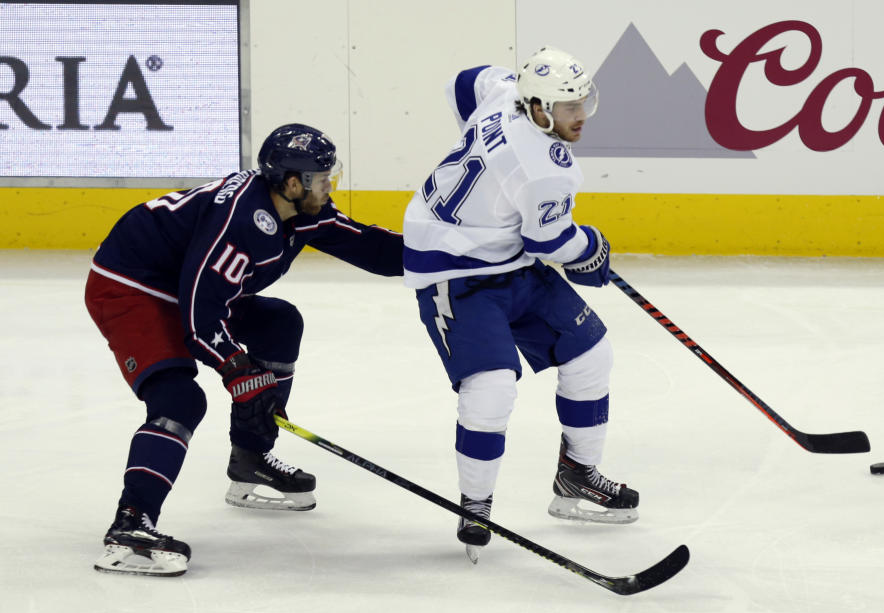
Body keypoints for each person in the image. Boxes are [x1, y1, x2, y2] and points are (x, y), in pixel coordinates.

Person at [85, 123, 403, 576]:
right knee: (179, 399)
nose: (329, 185)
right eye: (322, 177)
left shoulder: (300, 209)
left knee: (279, 322)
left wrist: (458, 260)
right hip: (131, 289)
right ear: (293, 183)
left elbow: (371, 247)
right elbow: (201, 319)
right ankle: (130, 526)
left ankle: (250, 458)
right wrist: (239, 371)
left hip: (186, 288)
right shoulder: (238, 223)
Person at [402, 46, 639, 562]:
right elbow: (551, 245)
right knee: (492, 387)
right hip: (454, 269)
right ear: (537, 108)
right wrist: (592, 247)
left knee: (590, 354)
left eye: (581, 103)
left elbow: (462, 82)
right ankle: (476, 504)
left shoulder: (505, 92)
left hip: (505, 255)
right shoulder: (544, 170)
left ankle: (577, 476)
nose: (578, 117)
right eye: (566, 107)